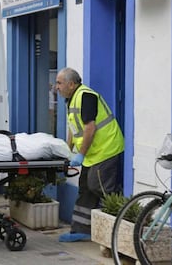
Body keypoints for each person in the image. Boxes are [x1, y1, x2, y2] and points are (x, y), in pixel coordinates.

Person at [55, 67, 124, 242]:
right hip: (93, 152)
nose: (56, 87)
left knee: (100, 187)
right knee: (85, 189)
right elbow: (74, 129)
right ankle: (82, 230)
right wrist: (67, 151)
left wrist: (81, 155)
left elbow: (89, 128)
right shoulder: (71, 99)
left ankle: (117, 230)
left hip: (106, 148)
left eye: (59, 83)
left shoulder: (86, 96)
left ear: (71, 84)